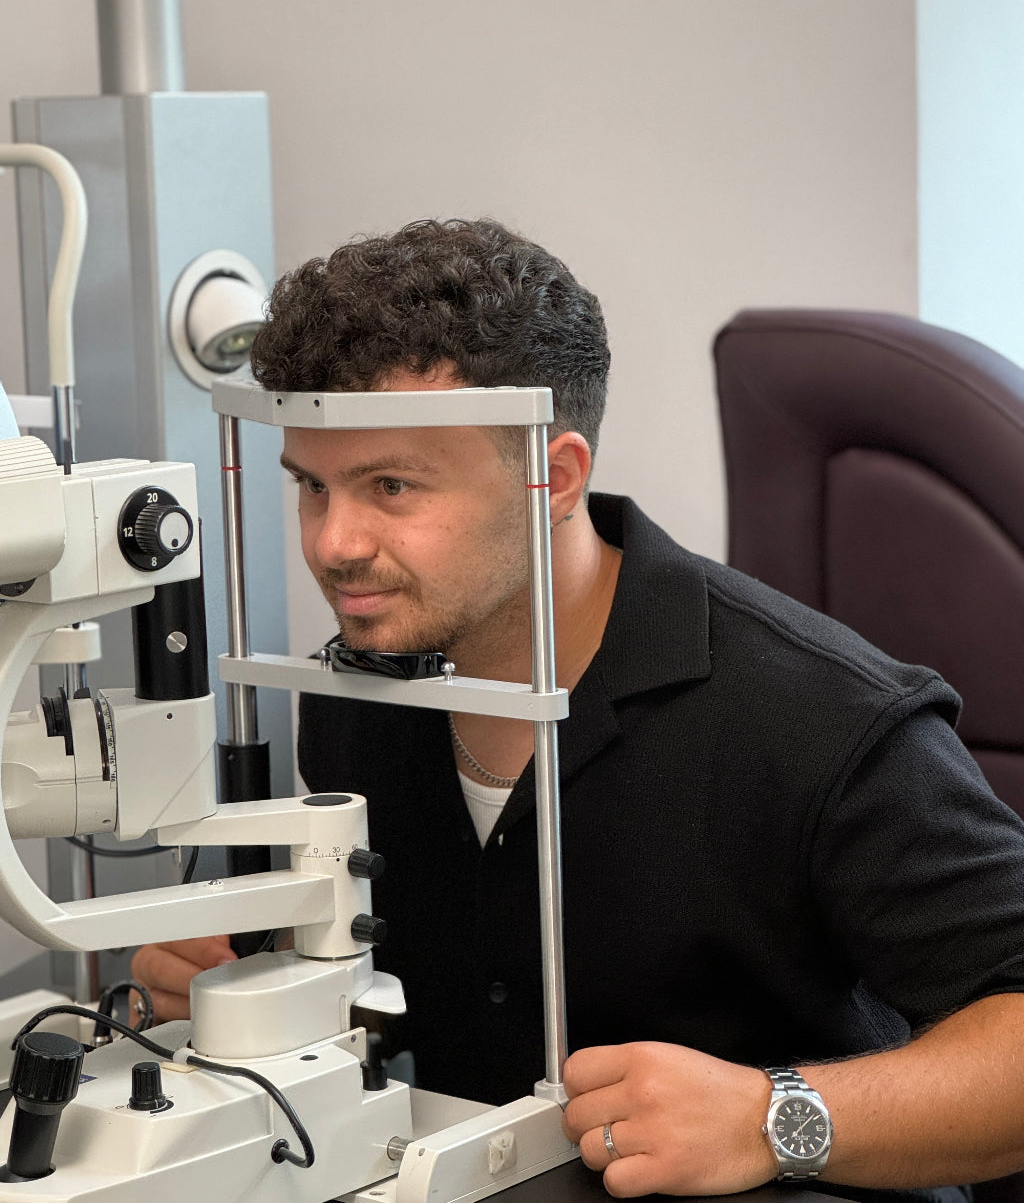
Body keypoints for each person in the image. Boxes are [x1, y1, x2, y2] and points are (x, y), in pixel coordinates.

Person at [132, 218, 1024, 1203]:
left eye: (390, 486)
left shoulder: (817, 717)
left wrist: (774, 1118)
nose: (335, 542)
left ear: (550, 478)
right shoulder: (355, 707)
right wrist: (243, 987)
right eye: (311, 487)